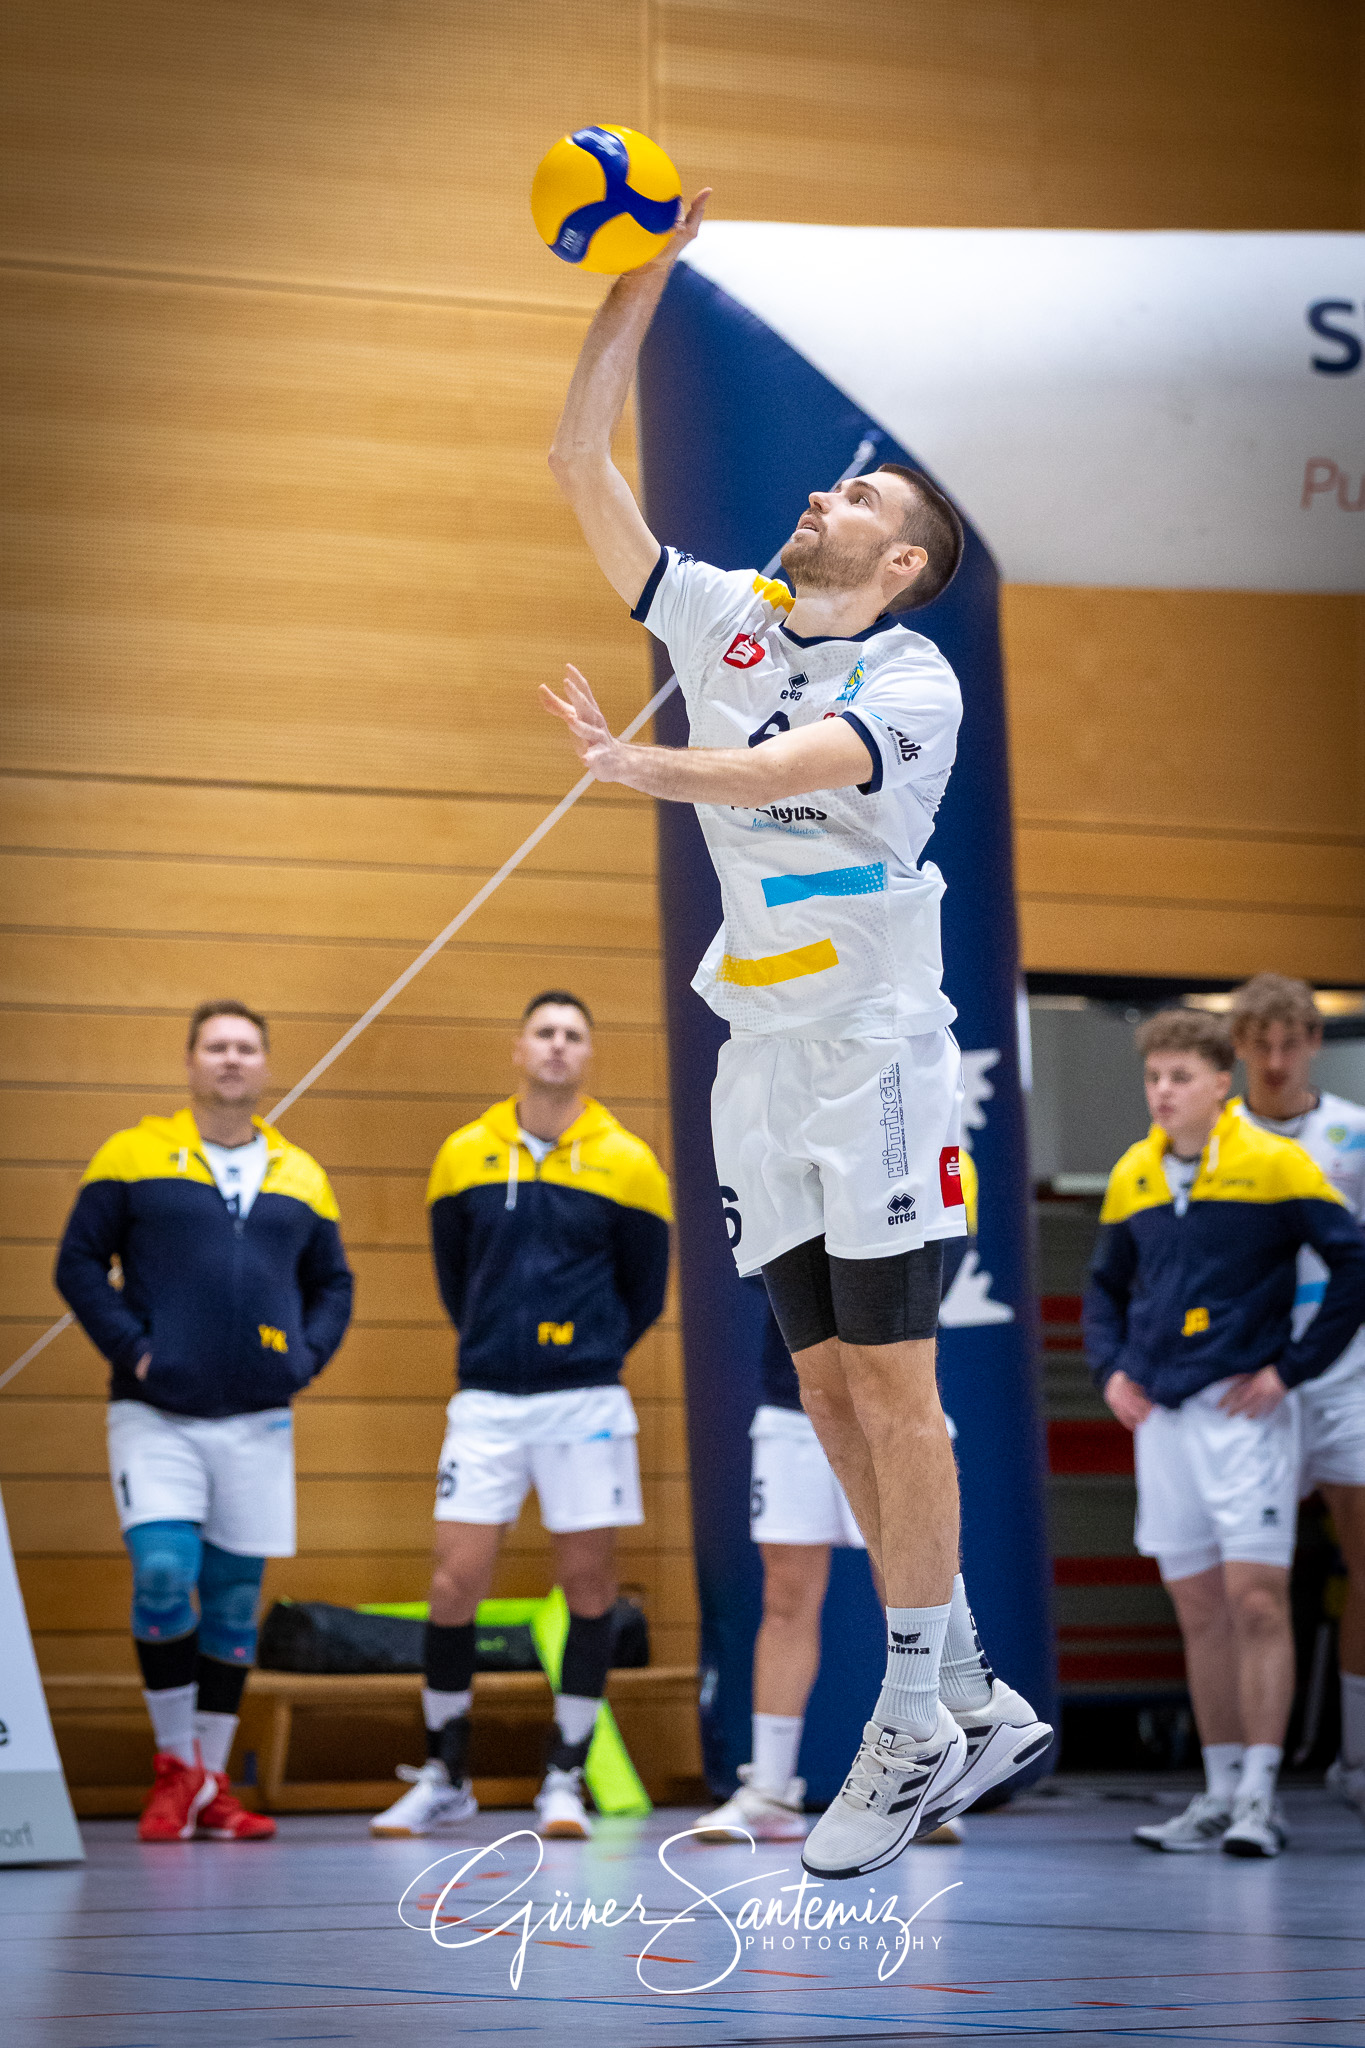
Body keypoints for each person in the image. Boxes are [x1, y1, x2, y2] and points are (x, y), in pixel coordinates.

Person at [540, 192, 1049, 1880]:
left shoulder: (913, 680)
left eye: (861, 499)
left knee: (896, 1390)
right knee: (827, 1390)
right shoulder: (722, 617)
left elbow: (780, 771)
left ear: (897, 563)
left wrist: (642, 766)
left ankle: (910, 1716)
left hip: (877, 1053)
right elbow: (577, 465)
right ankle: (965, 1687)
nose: (823, 497)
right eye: (834, 485)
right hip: (758, 1057)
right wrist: (637, 282)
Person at [370, 992, 671, 1842]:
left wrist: (584, 1350)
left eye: (573, 1034)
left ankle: (564, 1776)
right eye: (545, 1032)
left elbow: (644, 1291)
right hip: (486, 1401)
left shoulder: (629, 1162)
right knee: (453, 1581)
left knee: (589, 1586)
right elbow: (453, 1277)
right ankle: (445, 1773)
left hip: (585, 1400)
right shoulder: (462, 1154)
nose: (557, 1046)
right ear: (519, 1047)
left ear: (588, 1053)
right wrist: (499, 1344)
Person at [54, 1000, 353, 1843]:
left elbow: (333, 1283)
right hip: (156, 1415)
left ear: (265, 1066)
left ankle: (211, 1782)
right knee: (162, 1571)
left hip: (258, 1421)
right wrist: (135, 1350)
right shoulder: (132, 1154)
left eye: (245, 1047)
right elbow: (78, 1263)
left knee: (232, 1599)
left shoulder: (302, 1173)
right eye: (216, 1046)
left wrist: (304, 1359)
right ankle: (173, 1767)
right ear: (190, 1062)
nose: (231, 1059)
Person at [1084, 1009, 1365, 1858]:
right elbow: (1104, 1288)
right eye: (1152, 1078)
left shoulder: (1274, 1163)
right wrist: (1109, 1371)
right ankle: (1215, 1792)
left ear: (1218, 1083)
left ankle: (1259, 1798)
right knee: (1199, 1610)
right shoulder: (1131, 1172)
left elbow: (1353, 1261)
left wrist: (1291, 1369)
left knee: (1255, 1601)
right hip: (1162, 1420)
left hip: (1246, 1417)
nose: (1161, 1092)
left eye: (1178, 1077)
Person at [698, 1154, 984, 1848]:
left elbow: (922, 1279)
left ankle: (928, 1782)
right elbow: (762, 1268)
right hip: (793, 1406)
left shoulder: (938, 1156)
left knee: (911, 1593)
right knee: (785, 1596)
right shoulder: (781, 1151)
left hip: (894, 1416)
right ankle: (770, 1790)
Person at [1230, 972, 1365, 1825]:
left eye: (1290, 1044)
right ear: (1238, 1048)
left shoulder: (1354, 1132)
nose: (1276, 1062)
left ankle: (1354, 1759)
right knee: (1246, 1584)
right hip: (1248, 1384)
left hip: (1347, 1374)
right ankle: (1244, 1785)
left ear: (1314, 1043)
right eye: (1260, 1045)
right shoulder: (1212, 1137)